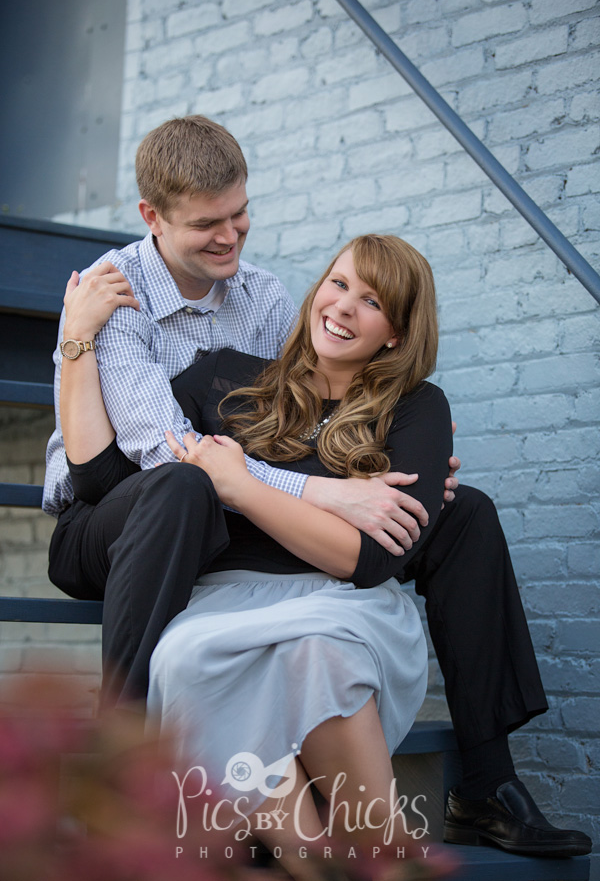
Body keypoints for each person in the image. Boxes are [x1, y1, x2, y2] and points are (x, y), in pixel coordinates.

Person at [43, 115, 591, 859]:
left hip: (224, 501)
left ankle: (486, 782)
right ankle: (126, 764)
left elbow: (289, 414)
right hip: (119, 502)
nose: (230, 237)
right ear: (153, 217)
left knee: (465, 513)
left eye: (240, 215)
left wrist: (402, 476)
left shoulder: (262, 296)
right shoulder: (112, 292)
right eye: (207, 225)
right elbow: (139, 460)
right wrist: (328, 494)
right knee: (183, 487)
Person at [59, 233, 454, 877]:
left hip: (335, 598)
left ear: (397, 334)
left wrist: (242, 485)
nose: (344, 306)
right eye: (339, 283)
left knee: (320, 652)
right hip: (224, 596)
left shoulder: (417, 406)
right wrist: (76, 342)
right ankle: (312, 860)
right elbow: (115, 475)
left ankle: (385, 854)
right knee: (186, 658)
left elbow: (370, 557)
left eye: (372, 301)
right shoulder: (234, 380)